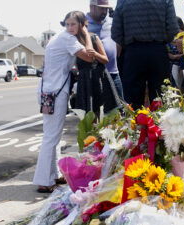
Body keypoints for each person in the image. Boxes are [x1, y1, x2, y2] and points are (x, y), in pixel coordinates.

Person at [33, 11, 95, 193]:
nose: (69, 28)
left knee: (53, 135)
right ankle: (44, 180)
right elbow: (89, 57)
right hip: (55, 91)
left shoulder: (59, 37)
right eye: (67, 24)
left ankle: (51, 175)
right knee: (51, 137)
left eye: (73, 24)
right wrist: (86, 34)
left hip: (49, 90)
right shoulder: (68, 38)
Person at [112, 0, 179, 109]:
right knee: (161, 98)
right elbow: (172, 28)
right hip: (158, 51)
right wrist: (162, 42)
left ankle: (134, 124)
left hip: (133, 52)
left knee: (132, 102)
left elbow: (116, 32)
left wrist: (129, 46)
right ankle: (161, 124)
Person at [86, 0, 124, 114]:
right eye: (101, 8)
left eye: (106, 9)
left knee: (118, 113)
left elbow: (119, 39)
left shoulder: (112, 22)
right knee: (93, 115)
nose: (105, 11)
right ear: (92, 7)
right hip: (94, 75)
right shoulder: (82, 23)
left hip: (113, 73)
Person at [74, 20, 109, 119]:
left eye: (74, 24)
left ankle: (95, 133)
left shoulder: (93, 37)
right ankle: (88, 133)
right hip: (83, 80)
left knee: (96, 111)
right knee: (84, 114)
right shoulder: (73, 40)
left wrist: (95, 54)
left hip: (95, 78)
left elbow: (105, 60)